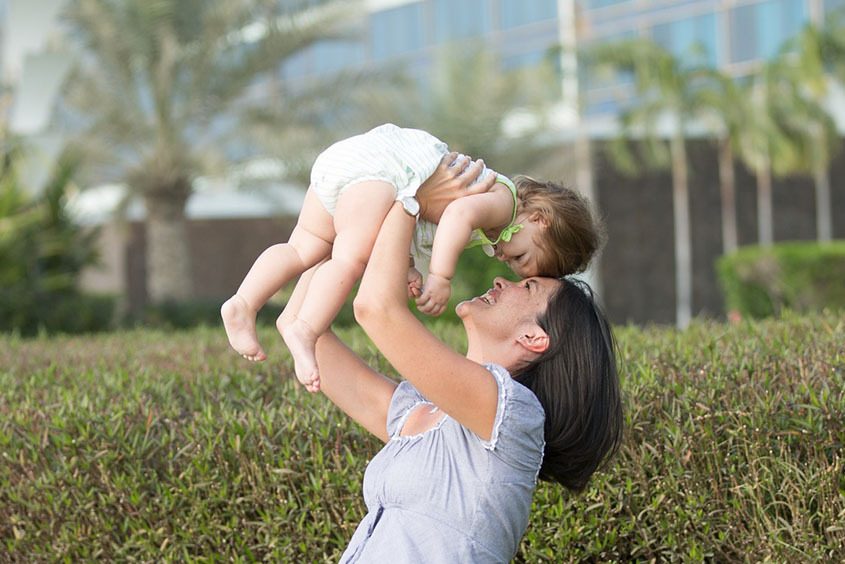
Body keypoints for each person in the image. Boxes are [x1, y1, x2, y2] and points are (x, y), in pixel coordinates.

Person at [281, 154, 624, 562]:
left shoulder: (513, 416)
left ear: (534, 337)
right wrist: (347, 223)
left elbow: (377, 309)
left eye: (526, 286)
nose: (502, 279)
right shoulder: (424, 416)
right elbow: (305, 331)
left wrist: (409, 193)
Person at [221, 123, 603, 393]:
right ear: (540, 219)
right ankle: (305, 328)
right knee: (349, 260)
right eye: (520, 257)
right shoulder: (504, 203)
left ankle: (243, 302)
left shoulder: (498, 220)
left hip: (354, 165)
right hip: (384, 172)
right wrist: (439, 275)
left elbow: (415, 218)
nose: (505, 259)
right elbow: (454, 214)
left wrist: (406, 266)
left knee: (304, 247)